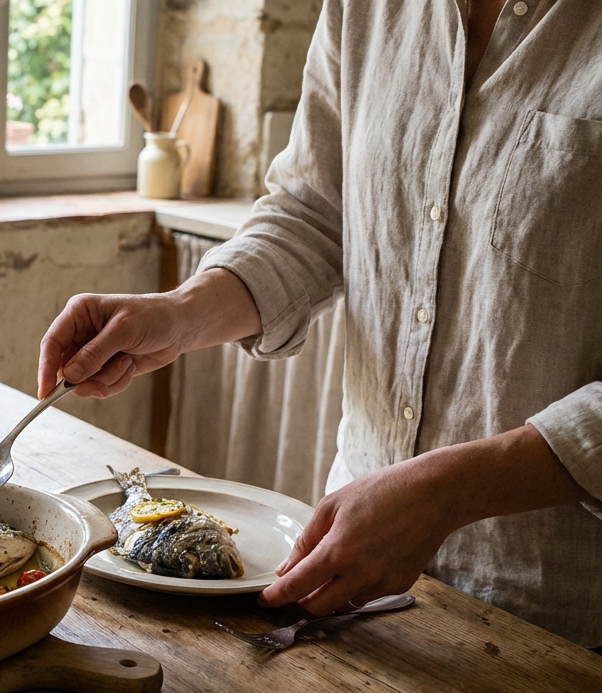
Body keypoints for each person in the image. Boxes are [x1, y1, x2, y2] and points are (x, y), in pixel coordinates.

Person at [37, 0, 601, 647]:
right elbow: (312, 214)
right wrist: (180, 312)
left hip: (560, 619)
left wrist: (449, 490)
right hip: (346, 577)